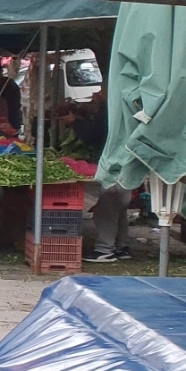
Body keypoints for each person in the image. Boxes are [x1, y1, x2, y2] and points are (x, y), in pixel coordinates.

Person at [59, 92, 131, 262]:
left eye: (102, 90)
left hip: (116, 163)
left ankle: (105, 249)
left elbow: (93, 133)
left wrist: (74, 122)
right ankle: (122, 246)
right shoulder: (122, 107)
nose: (95, 94)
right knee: (119, 206)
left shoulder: (113, 110)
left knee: (108, 206)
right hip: (125, 162)